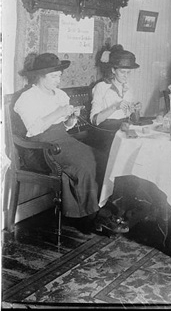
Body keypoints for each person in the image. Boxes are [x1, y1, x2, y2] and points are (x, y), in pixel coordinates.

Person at [14, 53, 127, 234]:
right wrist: (58, 112)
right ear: (40, 76)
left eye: (59, 76)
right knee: (84, 165)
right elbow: (33, 130)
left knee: (102, 158)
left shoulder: (59, 94)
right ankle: (87, 217)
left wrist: (71, 117)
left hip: (63, 140)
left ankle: (100, 210)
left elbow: (66, 127)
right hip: (41, 146)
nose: (58, 81)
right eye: (53, 77)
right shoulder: (27, 98)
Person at [89, 44, 140, 159]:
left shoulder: (129, 87)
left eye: (128, 72)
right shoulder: (101, 87)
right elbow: (94, 120)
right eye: (122, 72)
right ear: (113, 70)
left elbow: (134, 119)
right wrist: (115, 107)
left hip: (125, 126)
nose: (126, 76)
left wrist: (136, 110)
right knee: (122, 151)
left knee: (140, 147)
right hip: (106, 131)